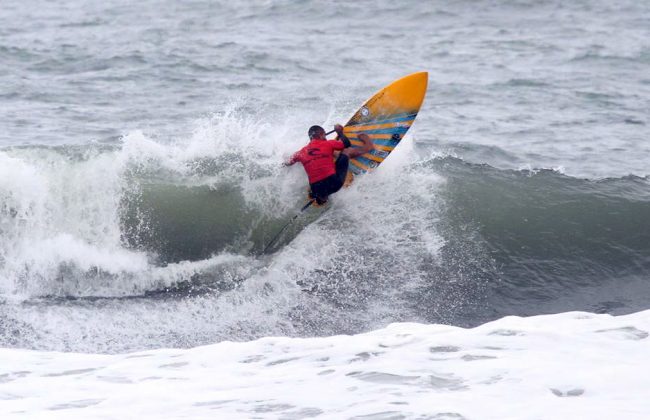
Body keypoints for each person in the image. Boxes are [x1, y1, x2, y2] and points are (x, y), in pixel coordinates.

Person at [284, 124, 373, 205]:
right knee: (346, 152)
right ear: (321, 135)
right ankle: (368, 146)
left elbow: (288, 162)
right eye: (325, 135)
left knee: (319, 173)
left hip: (316, 190)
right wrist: (340, 132)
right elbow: (346, 144)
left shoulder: (300, 153)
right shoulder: (327, 143)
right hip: (334, 184)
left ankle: (322, 199)